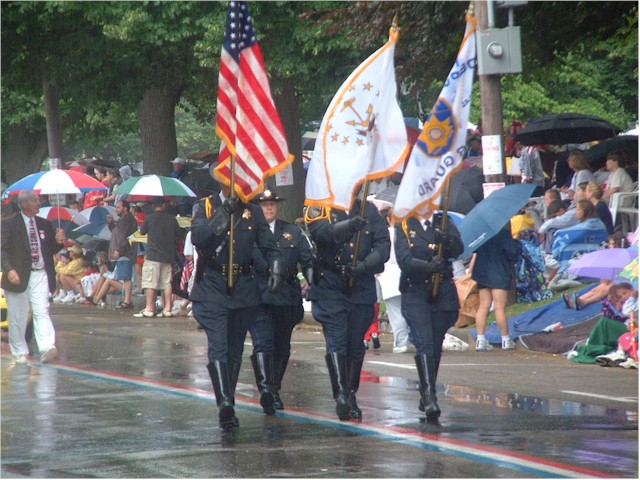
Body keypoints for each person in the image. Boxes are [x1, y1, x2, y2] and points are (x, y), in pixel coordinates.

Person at [190, 186, 283, 430]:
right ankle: (225, 404)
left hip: (243, 288)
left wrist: (275, 269)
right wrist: (223, 213)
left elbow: (269, 246)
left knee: (234, 348)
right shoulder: (206, 206)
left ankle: (228, 397)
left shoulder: (253, 210)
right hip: (212, 285)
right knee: (218, 345)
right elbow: (198, 238)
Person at [305, 195, 390, 421]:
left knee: (355, 344)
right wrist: (350, 225)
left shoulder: (370, 211)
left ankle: (351, 392)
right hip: (331, 284)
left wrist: (364, 266)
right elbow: (321, 234)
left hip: (361, 285)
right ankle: (341, 393)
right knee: (337, 339)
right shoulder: (320, 206)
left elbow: (383, 246)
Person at [248, 187, 314, 413]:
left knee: (282, 347)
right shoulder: (250, 231)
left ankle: (274, 386)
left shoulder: (293, 231)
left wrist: (312, 280)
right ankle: (267, 390)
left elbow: (307, 259)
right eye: (264, 204)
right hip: (260, 297)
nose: (268, 207)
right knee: (264, 343)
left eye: (272, 204)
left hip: (286, 298)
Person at [394, 210, 463, 422]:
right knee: (424, 342)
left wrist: (448, 240)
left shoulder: (444, 222)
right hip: (416, 290)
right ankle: (430, 395)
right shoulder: (405, 225)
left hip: (442, 290)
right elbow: (404, 260)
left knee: (434, 343)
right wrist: (427, 267)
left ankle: (427, 391)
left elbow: (459, 249)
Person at [1, 190, 66, 364]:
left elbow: (50, 249)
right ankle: (20, 351)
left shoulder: (45, 224)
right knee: (18, 316)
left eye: (38, 200)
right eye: (35, 200)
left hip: (40, 274)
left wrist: (59, 242)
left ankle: (47, 346)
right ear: (24, 204)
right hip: (18, 275)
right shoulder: (8, 224)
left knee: (42, 309)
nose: (39, 203)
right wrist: (9, 270)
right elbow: (2, 250)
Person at [471, 223, 520, 352]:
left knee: (483, 306)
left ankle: (480, 340)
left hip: (482, 272)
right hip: (499, 272)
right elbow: (513, 254)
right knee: (499, 307)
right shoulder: (503, 234)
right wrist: (515, 242)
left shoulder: (481, 234)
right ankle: (505, 340)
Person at [134, 198, 184, 318]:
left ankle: (149, 309)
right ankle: (167, 309)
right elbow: (179, 234)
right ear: (164, 206)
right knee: (166, 284)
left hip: (153, 256)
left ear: (153, 206)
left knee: (151, 284)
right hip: (168, 256)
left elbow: (142, 232)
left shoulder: (149, 218)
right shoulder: (171, 219)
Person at [569, 283, 635, 364]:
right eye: (621, 296)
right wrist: (617, 304)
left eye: (625, 293)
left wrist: (632, 298)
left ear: (632, 290)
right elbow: (624, 313)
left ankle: (592, 348)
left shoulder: (634, 301)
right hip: (628, 326)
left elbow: (628, 312)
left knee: (605, 322)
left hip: (633, 329)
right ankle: (591, 348)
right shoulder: (629, 302)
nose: (624, 297)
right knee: (605, 320)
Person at [377, 209, 413, 354]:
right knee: (406, 310)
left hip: (389, 275)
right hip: (405, 272)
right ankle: (408, 339)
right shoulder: (406, 234)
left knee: (395, 312)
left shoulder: (385, 234)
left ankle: (401, 341)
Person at [92, 200, 138, 309]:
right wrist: (112, 223)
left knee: (126, 277)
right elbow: (116, 232)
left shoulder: (128, 220)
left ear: (125, 208)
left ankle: (127, 301)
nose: (116, 209)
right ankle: (126, 301)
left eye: (118, 207)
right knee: (124, 277)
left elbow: (125, 237)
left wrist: (119, 250)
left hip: (125, 253)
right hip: (121, 253)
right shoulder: (122, 220)